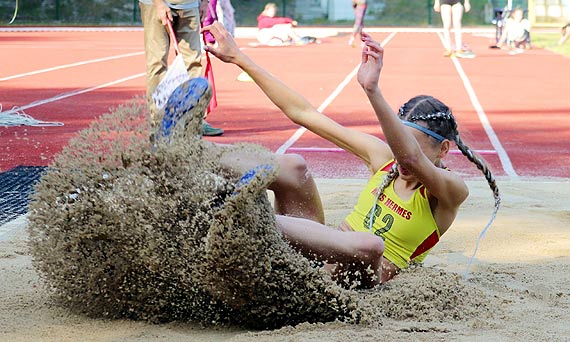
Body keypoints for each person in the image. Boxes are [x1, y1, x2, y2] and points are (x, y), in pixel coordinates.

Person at [187, 22, 500, 288]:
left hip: (352, 282)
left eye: (412, 145)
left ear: (443, 149)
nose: (400, 153)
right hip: (310, 265)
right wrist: (239, 57)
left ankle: (242, 218)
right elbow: (303, 113)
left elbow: (411, 161)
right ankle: (190, 152)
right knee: (294, 166)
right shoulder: (382, 159)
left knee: (369, 245)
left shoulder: (450, 192)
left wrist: (372, 90)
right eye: (397, 143)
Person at [139, 0, 224, 136]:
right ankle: (159, 121)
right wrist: (159, 4)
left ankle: (193, 122)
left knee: (193, 62)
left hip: (189, 6)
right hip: (156, 5)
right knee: (157, 63)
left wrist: (204, 2)